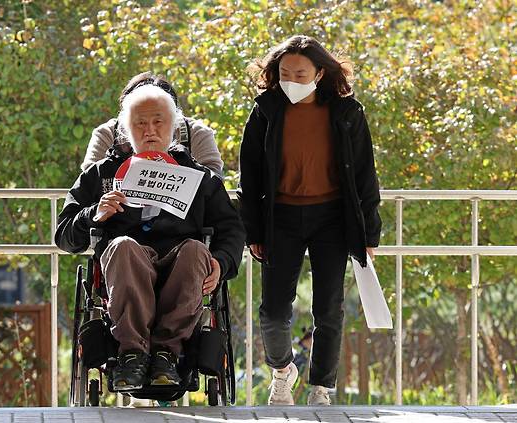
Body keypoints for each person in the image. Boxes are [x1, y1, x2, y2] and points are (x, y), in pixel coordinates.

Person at [56, 84, 245, 391]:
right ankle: (132, 353)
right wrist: (94, 213)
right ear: (126, 131)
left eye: (159, 122)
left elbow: (232, 230)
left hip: (181, 263)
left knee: (197, 250)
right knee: (123, 246)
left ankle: (165, 355)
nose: (150, 131)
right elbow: (64, 235)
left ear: (173, 128)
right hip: (126, 265)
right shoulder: (103, 174)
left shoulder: (199, 178)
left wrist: (221, 263)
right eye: (140, 124)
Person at [237, 35, 382, 406]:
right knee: (272, 311)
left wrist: (369, 233)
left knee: (328, 308)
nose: (292, 80)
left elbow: (365, 176)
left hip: (332, 218)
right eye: (284, 73)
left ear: (319, 73)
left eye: (300, 73)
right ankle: (283, 371)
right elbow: (248, 176)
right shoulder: (265, 111)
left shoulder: (347, 113)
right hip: (279, 217)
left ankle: (322, 388)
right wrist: (252, 229)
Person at [81, 71, 224, 177]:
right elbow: (90, 181)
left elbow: (214, 181)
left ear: (175, 117)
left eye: (158, 120)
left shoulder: (196, 134)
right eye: (141, 121)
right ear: (126, 119)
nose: (150, 130)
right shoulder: (107, 134)